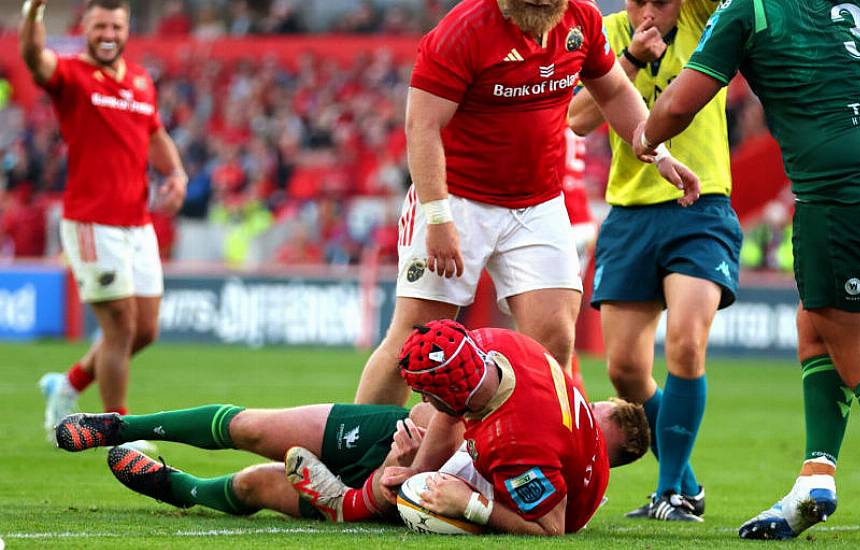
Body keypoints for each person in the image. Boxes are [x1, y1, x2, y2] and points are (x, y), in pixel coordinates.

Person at [635, 0, 860, 543]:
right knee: (815, 328)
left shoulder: (750, 9)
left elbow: (680, 104)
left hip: (840, 198)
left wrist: (646, 137)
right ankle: (814, 479)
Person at [352, 0, 700, 408]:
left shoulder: (581, 20)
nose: (540, 1)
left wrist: (656, 150)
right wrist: (438, 216)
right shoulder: (462, 30)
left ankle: (521, 459)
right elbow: (422, 125)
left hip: (538, 205)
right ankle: (359, 458)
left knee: (554, 341)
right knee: (414, 341)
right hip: (459, 200)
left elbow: (615, 90)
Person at [566, 0, 740, 522]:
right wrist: (632, 59)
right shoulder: (609, 32)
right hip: (629, 214)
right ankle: (686, 486)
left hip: (700, 206)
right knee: (624, 371)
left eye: (659, 2)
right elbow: (576, 119)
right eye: (637, 0)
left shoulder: (703, 20)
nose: (647, 11)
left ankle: (671, 493)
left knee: (686, 344)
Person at [290, 320, 651, 535]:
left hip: (532, 491)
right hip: (523, 444)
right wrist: (418, 466)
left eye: (426, 392)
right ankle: (359, 494)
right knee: (421, 429)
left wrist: (472, 505)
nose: (423, 398)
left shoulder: (516, 444)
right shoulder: (492, 344)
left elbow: (551, 528)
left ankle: (349, 505)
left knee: (418, 485)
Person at [20, 0, 187, 442]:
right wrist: (33, 10)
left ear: (127, 28)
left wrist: (176, 172)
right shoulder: (71, 74)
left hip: (137, 221)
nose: (108, 33)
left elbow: (155, 133)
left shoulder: (138, 80)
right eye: (99, 26)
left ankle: (68, 383)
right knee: (120, 325)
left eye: (115, 25)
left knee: (146, 330)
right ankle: (122, 432)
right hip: (93, 222)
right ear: (86, 28)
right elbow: (34, 58)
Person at [52, 402, 425, 520]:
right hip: (399, 438)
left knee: (254, 485)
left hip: (404, 493)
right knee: (252, 428)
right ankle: (118, 427)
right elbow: (433, 414)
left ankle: (180, 487)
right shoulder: (460, 419)